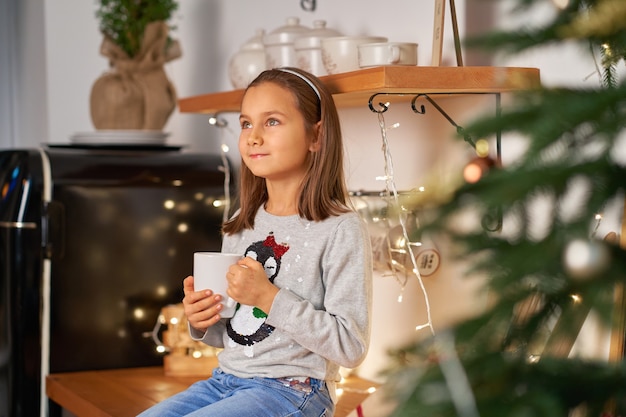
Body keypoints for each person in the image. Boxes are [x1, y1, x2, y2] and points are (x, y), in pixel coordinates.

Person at [137, 67, 373, 417]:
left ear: (316, 136)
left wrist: (269, 297)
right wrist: (202, 320)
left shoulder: (340, 229)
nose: (253, 137)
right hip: (226, 380)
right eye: (246, 123)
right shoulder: (241, 223)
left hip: (294, 391)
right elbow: (231, 332)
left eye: (272, 122)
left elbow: (350, 346)